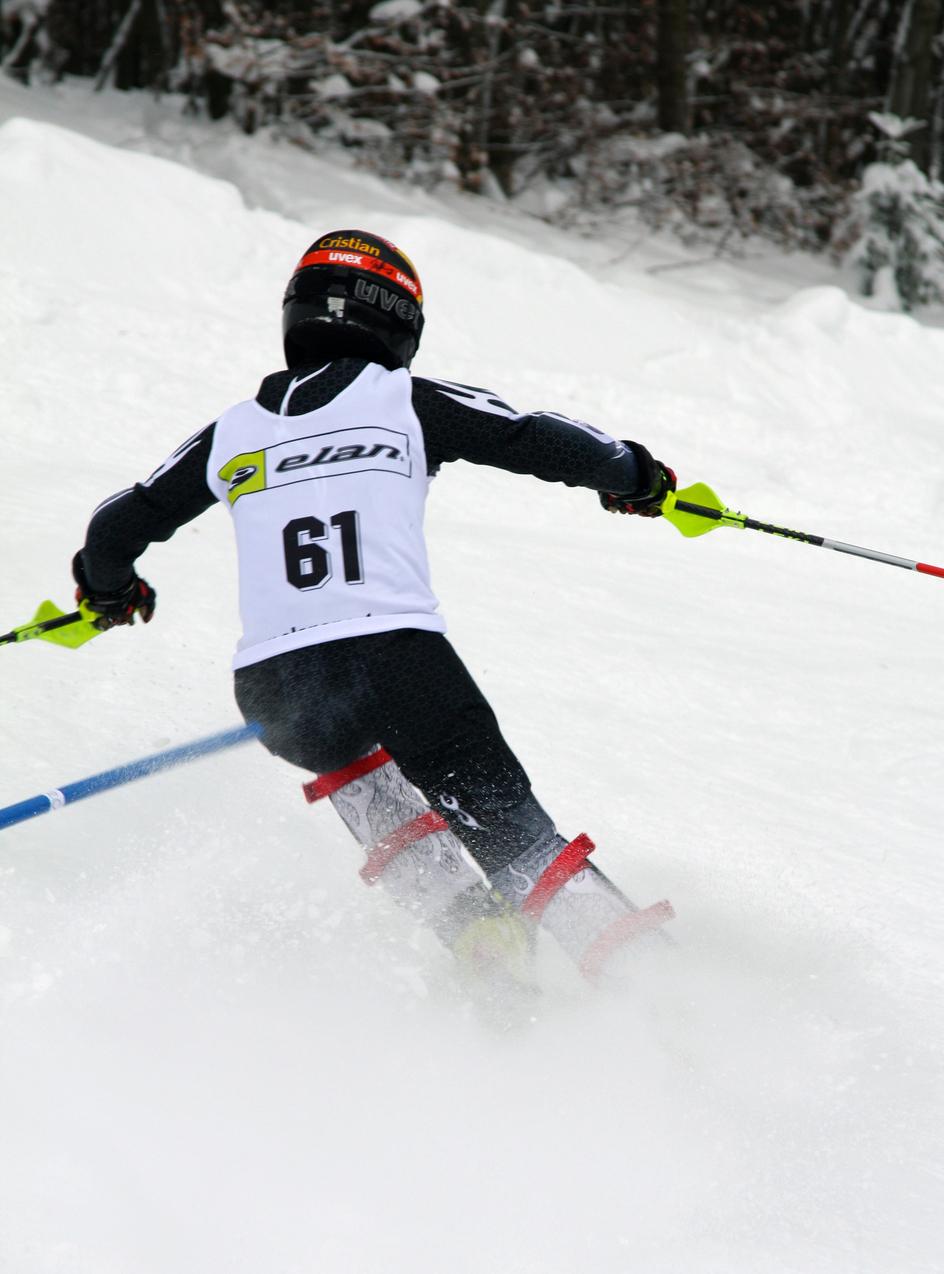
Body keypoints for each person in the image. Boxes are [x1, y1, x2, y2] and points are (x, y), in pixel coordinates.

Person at [73, 229, 675, 992]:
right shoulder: (401, 399)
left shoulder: (232, 432)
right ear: (398, 321)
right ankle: (656, 990)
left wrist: (108, 589)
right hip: (395, 658)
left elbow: (118, 523)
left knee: (366, 779)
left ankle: (478, 941)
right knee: (511, 837)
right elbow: (534, 438)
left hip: (275, 684)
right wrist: (632, 473)